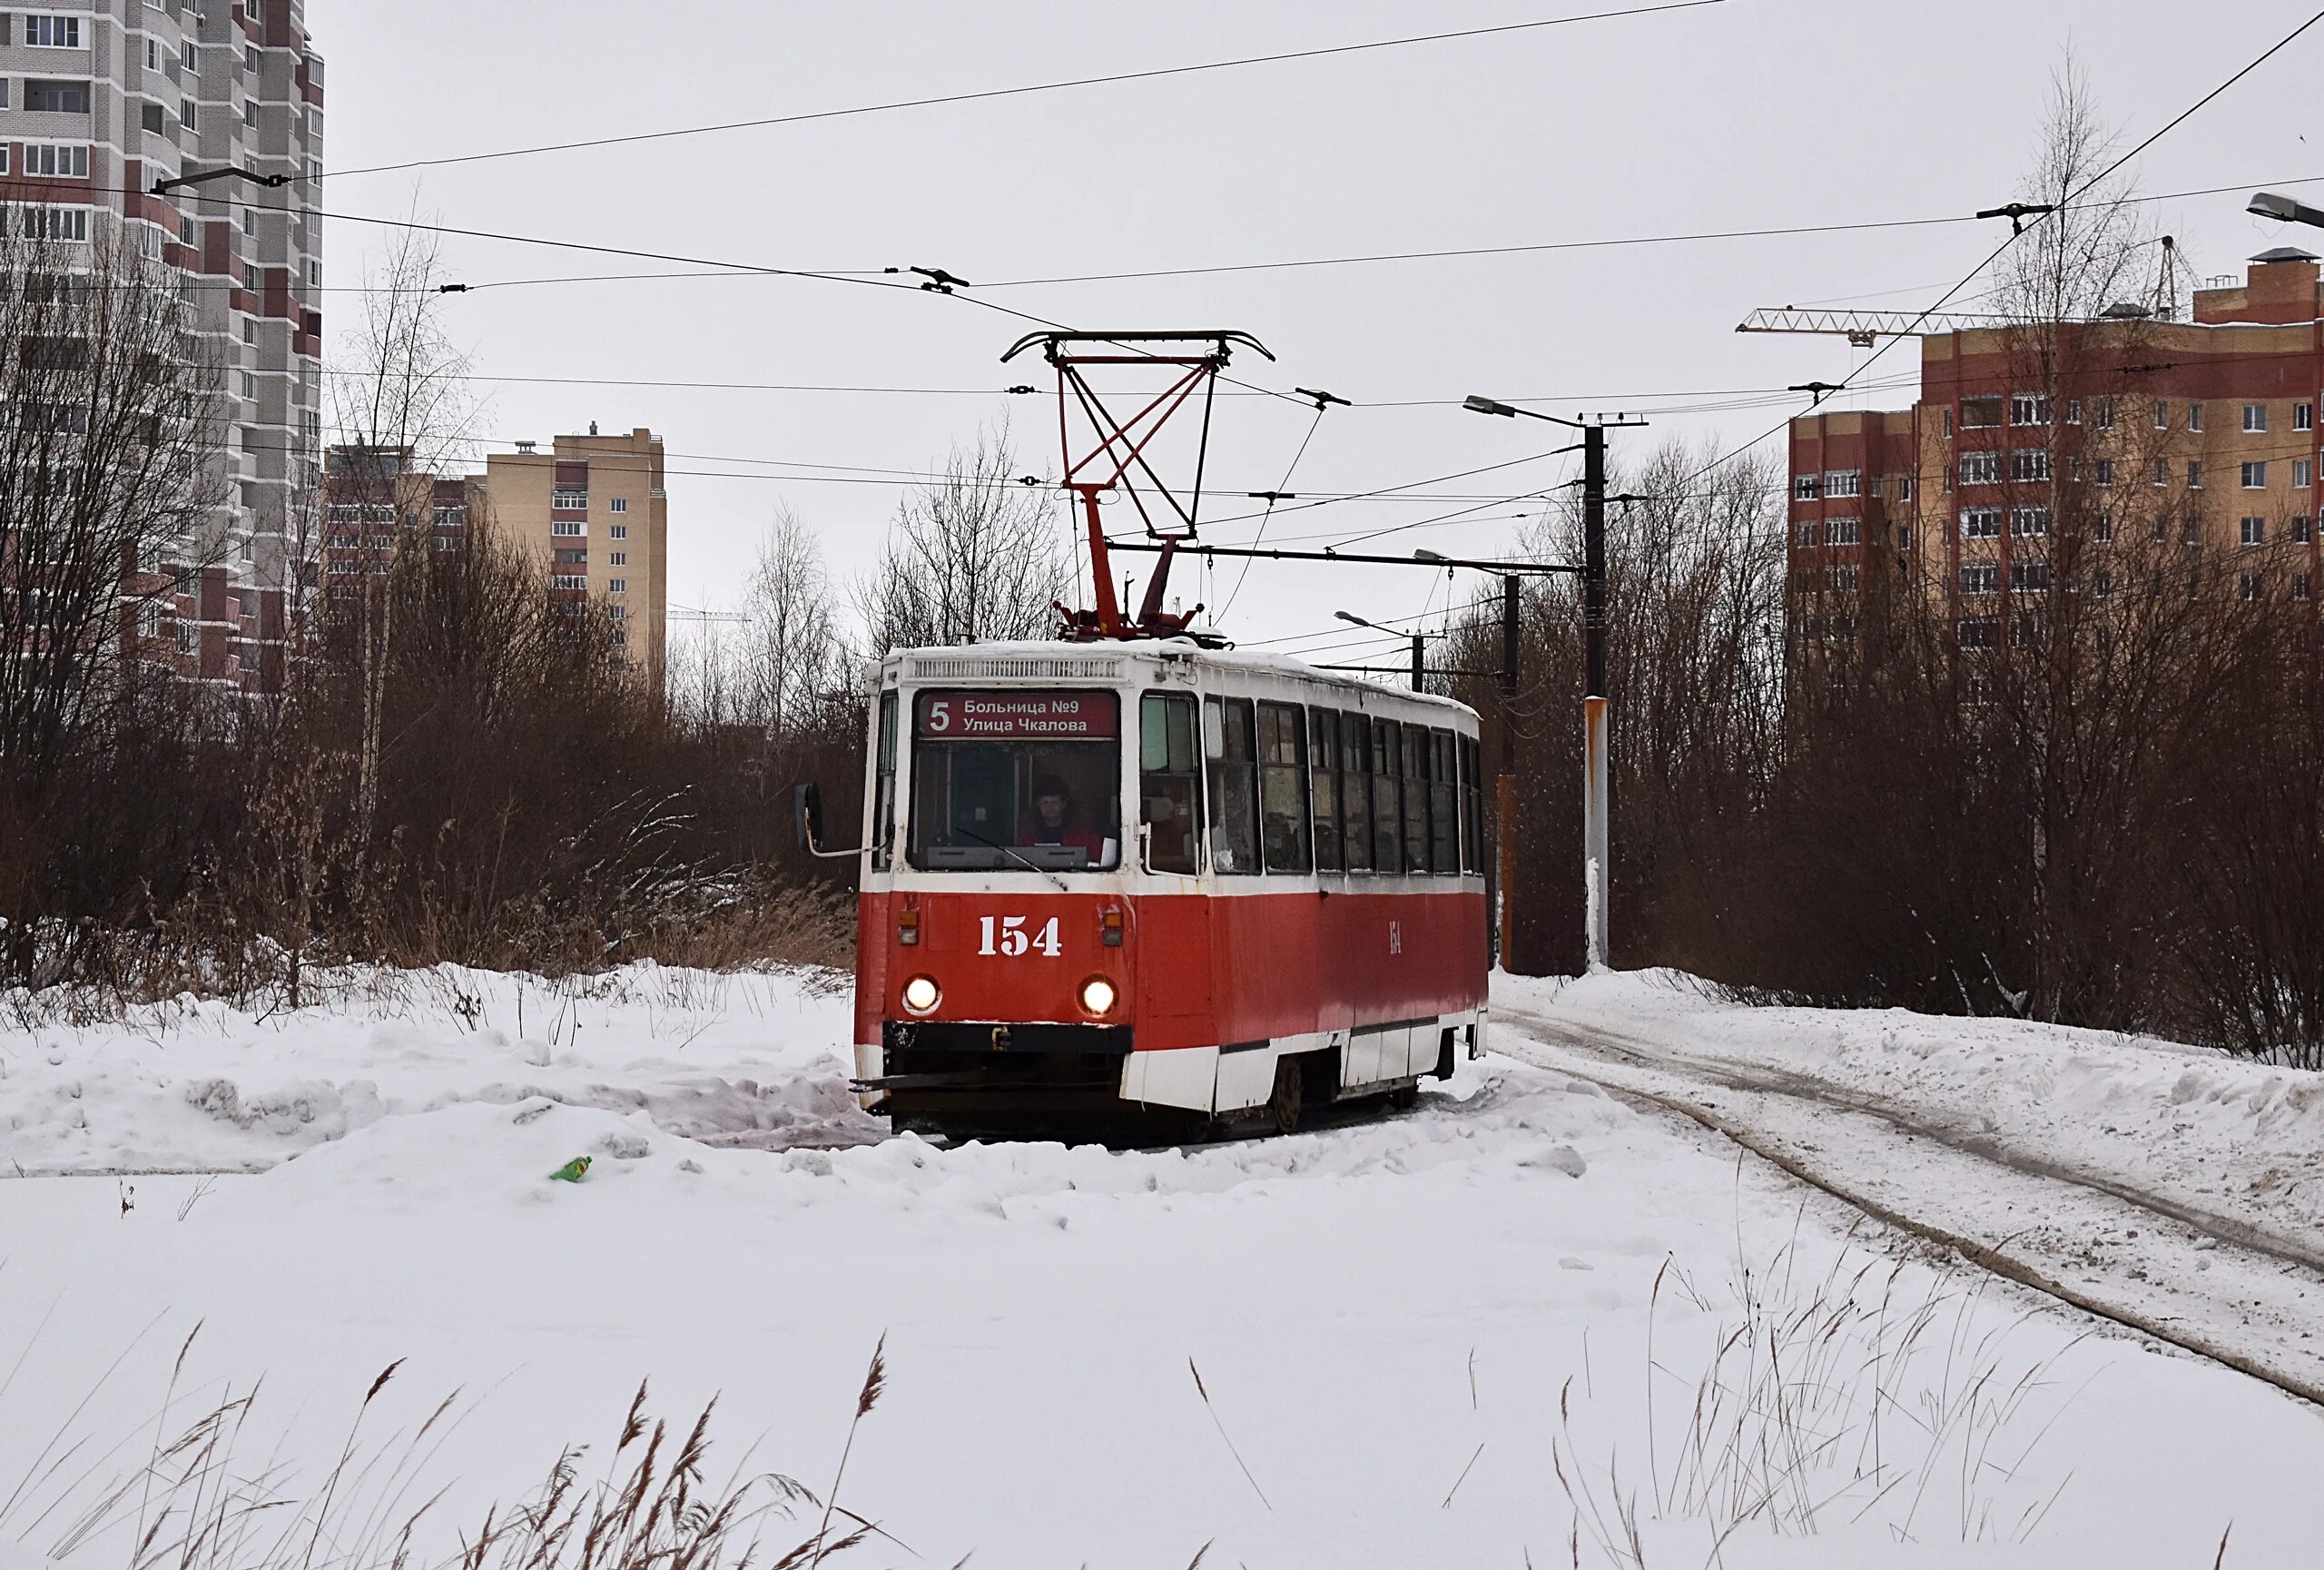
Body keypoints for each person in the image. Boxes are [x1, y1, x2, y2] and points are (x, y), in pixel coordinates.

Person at [1018, 772, 1107, 862]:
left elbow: (1098, 861)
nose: (1050, 807)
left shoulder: (1084, 834)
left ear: (1064, 803)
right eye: (1045, 802)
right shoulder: (1028, 833)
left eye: (1054, 802)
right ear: (1038, 805)